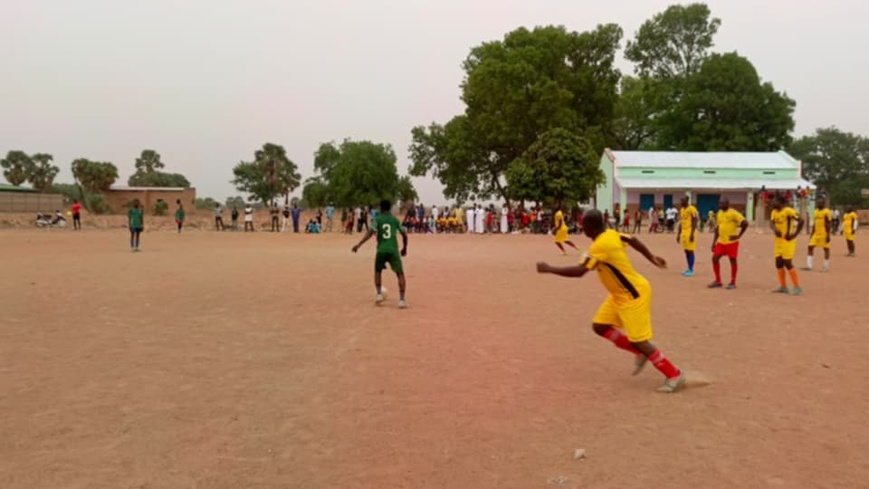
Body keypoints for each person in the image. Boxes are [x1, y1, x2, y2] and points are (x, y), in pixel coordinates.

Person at [536, 210, 685, 393]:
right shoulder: (611, 234)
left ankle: (674, 374)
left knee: (639, 340)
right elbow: (633, 240)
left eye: (583, 225)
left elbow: (579, 271)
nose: (582, 228)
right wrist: (652, 258)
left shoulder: (600, 246)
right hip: (619, 295)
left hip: (633, 295)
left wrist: (550, 269)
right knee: (600, 326)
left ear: (590, 227)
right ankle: (638, 352)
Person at [352, 199, 409, 309]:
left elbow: (370, 233)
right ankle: (402, 300)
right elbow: (404, 234)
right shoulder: (395, 220)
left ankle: (379, 294)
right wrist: (405, 248)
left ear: (381, 208)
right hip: (393, 250)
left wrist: (359, 245)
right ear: (389, 208)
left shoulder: (377, 219)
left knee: (378, 271)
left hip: (381, 250)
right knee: (400, 274)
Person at [709, 198, 748, 289]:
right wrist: (713, 243)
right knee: (714, 258)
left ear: (727, 203)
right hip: (721, 242)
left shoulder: (733, 213)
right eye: (719, 203)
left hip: (731, 242)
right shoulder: (719, 213)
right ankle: (718, 281)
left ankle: (733, 282)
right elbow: (717, 229)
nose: (719, 205)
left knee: (732, 260)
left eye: (722, 203)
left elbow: (745, 223)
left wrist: (738, 236)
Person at [770, 195, 804, 295]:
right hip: (778, 241)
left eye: (774, 201)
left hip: (788, 241)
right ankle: (783, 286)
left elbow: (801, 220)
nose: (772, 203)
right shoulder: (774, 212)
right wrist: (775, 230)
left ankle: (797, 287)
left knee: (787, 263)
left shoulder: (788, 211)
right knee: (778, 263)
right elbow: (771, 223)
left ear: (780, 202)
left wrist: (795, 234)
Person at [804, 197, 832, 272]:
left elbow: (828, 224)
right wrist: (811, 234)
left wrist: (828, 235)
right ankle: (809, 266)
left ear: (824, 203)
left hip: (823, 233)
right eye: (818, 202)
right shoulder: (815, 211)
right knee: (810, 247)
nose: (819, 204)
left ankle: (825, 266)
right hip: (816, 233)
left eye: (821, 202)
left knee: (826, 249)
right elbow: (814, 224)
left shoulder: (826, 212)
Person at [677, 196, 699, 277]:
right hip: (684, 232)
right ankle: (688, 268)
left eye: (682, 201)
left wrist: (692, 233)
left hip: (690, 232)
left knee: (690, 251)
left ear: (687, 201)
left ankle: (691, 269)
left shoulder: (692, 209)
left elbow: (695, 220)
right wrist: (678, 234)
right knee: (686, 251)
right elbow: (681, 222)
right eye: (681, 201)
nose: (681, 202)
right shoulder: (682, 210)